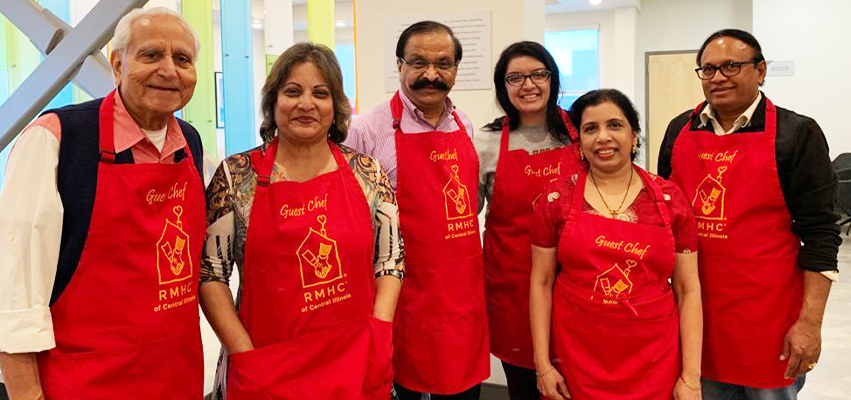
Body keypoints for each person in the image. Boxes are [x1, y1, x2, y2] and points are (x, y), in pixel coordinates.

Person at [0, 7, 206, 400]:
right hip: (86, 383)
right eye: (151, 55)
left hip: (176, 378)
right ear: (117, 64)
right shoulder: (57, 139)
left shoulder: (189, 144)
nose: (169, 70)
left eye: (182, 59)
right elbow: (15, 302)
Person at [200, 42, 403, 400]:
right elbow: (211, 273)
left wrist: (379, 331)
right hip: (265, 364)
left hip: (354, 360)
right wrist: (243, 354)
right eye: (292, 91)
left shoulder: (367, 173)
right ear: (273, 101)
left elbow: (390, 261)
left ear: (336, 106)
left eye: (320, 93)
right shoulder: (236, 176)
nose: (306, 104)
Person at [658, 29, 839, 399]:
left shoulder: (796, 133)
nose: (718, 77)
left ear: (760, 71)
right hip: (695, 318)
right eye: (707, 70)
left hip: (768, 320)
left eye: (731, 66)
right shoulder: (679, 130)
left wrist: (809, 323)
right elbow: (663, 219)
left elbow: (821, 234)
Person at [343, 21, 489, 400]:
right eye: (418, 62)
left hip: (461, 293)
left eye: (443, 63)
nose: (431, 74)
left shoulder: (465, 124)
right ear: (399, 65)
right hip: (401, 296)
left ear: (456, 68)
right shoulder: (367, 131)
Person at [530, 89, 703, 400]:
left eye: (615, 125)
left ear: (634, 135)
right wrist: (542, 364)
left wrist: (691, 377)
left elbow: (688, 290)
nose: (603, 137)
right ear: (579, 141)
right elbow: (540, 282)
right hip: (575, 358)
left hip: (653, 359)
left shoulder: (669, 199)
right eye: (590, 128)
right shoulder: (556, 199)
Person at [475, 41, 581, 400]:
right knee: (525, 387)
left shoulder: (579, 133)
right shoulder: (486, 143)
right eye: (515, 77)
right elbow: (464, 211)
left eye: (538, 74)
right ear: (503, 87)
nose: (528, 85)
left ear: (552, 79)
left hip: (578, 285)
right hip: (514, 290)